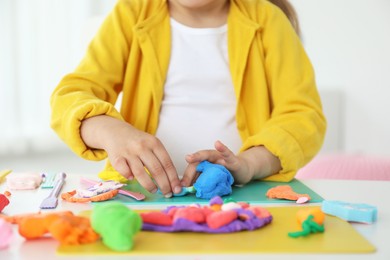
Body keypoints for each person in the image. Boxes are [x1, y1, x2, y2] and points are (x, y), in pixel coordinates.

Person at [50, 0, 326, 198]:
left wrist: (249, 165)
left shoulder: (267, 19)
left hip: (245, 193)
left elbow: (303, 117)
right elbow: (70, 96)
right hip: (142, 193)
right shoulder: (130, 13)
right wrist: (110, 130)